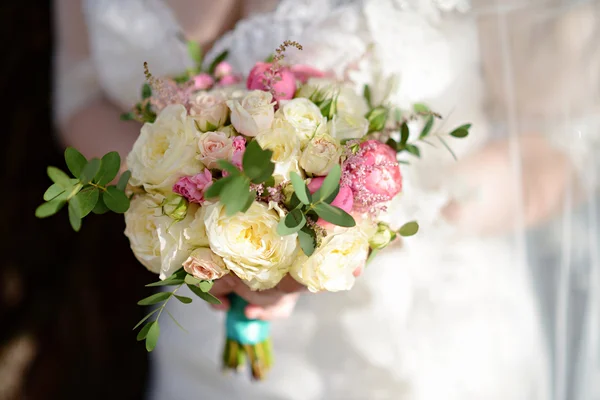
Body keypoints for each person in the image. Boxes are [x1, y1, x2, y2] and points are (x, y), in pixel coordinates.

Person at [53, 0, 600, 399]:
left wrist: (356, 230)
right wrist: (195, 217)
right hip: (206, 331)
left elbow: (569, 134)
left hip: (426, 321)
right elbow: (81, 97)